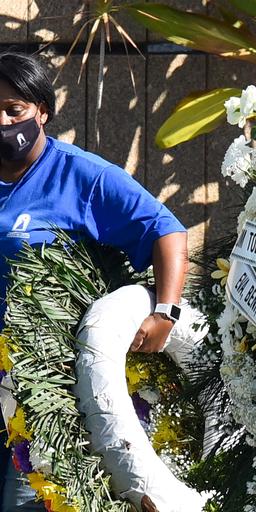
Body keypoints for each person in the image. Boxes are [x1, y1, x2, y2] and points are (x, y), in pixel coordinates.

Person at [0, 52, 188, 510]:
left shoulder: (81, 176)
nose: (1, 121)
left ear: (42, 111)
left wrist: (165, 312)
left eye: (14, 110)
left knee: (25, 500)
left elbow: (165, 229)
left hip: (42, 392)